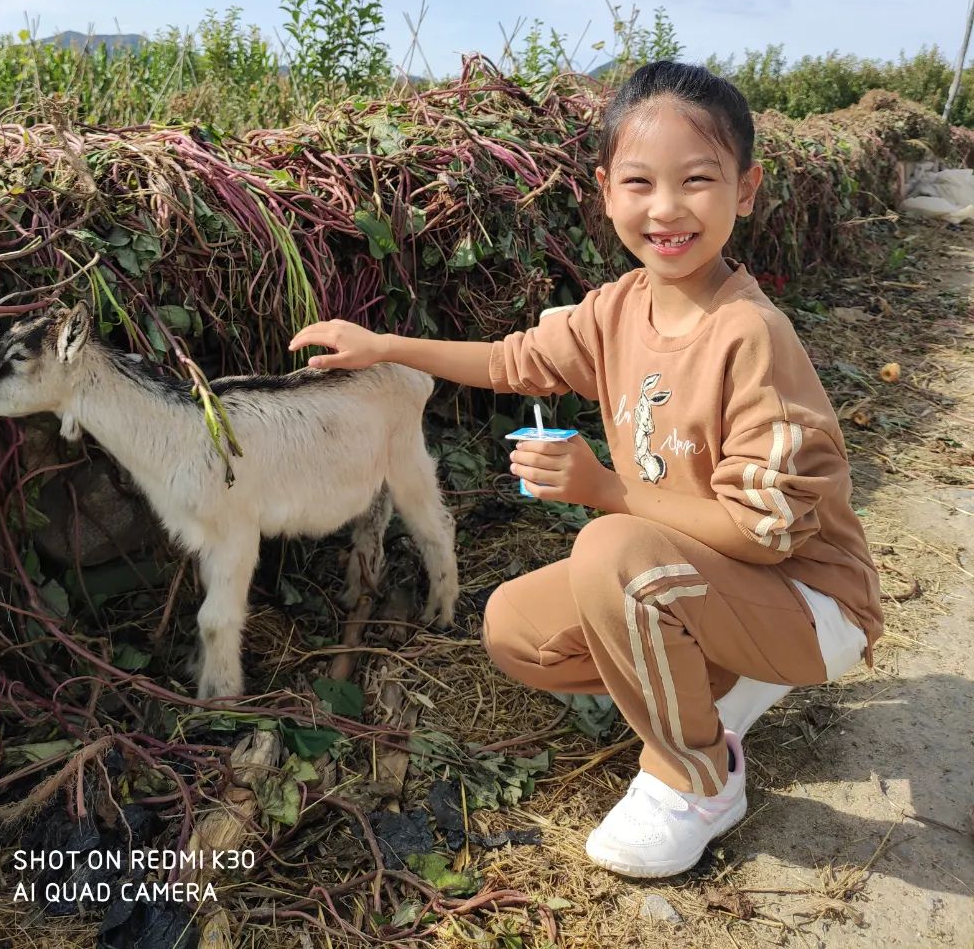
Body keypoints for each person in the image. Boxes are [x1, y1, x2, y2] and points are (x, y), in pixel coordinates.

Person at [288, 60, 882, 879]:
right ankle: (712, 687)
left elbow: (768, 533)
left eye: (697, 181)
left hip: (811, 602)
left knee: (611, 551)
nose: (666, 209)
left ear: (746, 190)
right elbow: (514, 360)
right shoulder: (617, 308)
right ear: (606, 191)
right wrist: (383, 346)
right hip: (704, 577)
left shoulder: (751, 335)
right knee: (518, 632)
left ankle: (700, 777)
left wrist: (605, 490)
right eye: (640, 182)